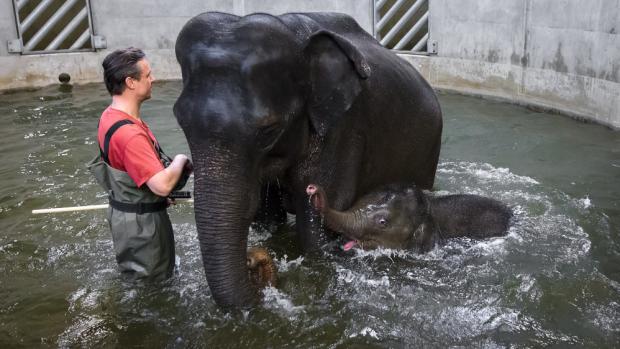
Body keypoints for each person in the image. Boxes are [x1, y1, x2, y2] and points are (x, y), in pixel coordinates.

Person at [88, 47, 192, 280]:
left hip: (126, 216)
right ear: (130, 82)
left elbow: (126, 170)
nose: (153, 79)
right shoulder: (131, 135)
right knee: (154, 288)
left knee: (138, 281)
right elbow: (162, 185)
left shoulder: (110, 116)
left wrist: (155, 195)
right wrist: (180, 160)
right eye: (147, 75)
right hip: (143, 228)